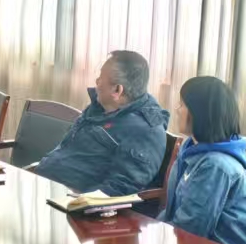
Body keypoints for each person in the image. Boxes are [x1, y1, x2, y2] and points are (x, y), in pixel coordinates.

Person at [32, 50, 170, 196]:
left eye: (100, 79)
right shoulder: (101, 107)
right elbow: (66, 149)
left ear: (117, 90)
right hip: (47, 185)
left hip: (74, 201)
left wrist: (78, 200)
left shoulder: (146, 130)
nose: (96, 82)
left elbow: (121, 188)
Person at [160, 76, 246, 244]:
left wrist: (156, 238)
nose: (177, 110)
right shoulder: (191, 149)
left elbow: (191, 229)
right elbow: (173, 213)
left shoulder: (215, 166)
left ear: (199, 113)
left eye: (182, 104)